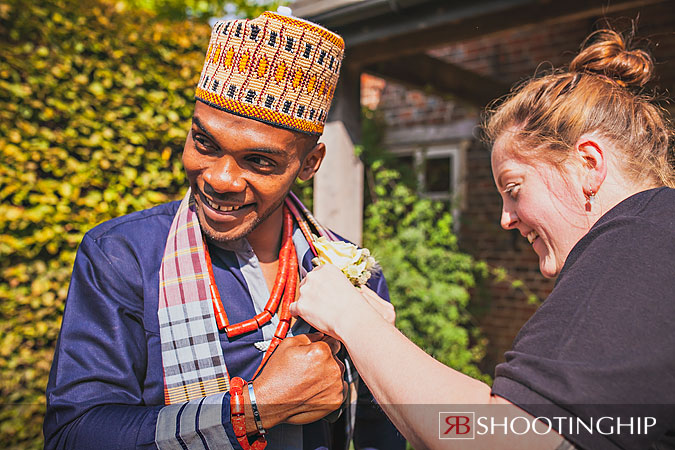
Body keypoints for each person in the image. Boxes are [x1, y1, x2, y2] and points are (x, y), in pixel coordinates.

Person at [290, 28, 675, 450]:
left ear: (587, 163)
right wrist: (381, 342)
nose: (506, 219)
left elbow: (502, 437)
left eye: (513, 189)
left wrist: (352, 321)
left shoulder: (634, 242)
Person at [44, 11, 405, 450]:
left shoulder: (352, 275)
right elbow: (73, 436)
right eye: (205, 143)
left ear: (309, 164)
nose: (220, 179)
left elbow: (381, 433)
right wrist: (255, 406)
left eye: (259, 161)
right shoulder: (123, 256)